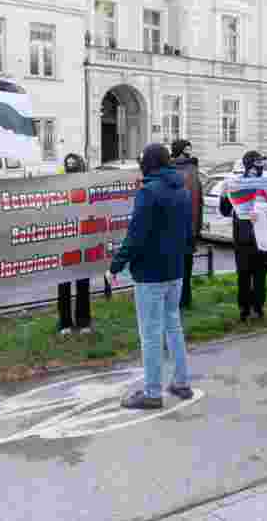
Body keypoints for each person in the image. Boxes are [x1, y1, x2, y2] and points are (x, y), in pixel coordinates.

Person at [108, 143, 193, 410]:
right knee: (173, 326)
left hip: (150, 274)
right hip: (175, 270)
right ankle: (181, 382)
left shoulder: (148, 192)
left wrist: (115, 266)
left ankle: (152, 392)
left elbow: (136, 236)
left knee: (151, 333)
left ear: (148, 164)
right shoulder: (182, 189)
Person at [219, 151, 267, 322]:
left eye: (262, 163)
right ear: (249, 165)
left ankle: (258, 307)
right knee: (243, 274)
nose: (260, 166)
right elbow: (225, 211)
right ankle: (244, 309)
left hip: (263, 237)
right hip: (243, 238)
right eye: (257, 163)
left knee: (260, 275)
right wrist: (224, 195)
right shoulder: (236, 184)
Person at [58, 154, 92, 335]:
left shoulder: (86, 186)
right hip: (64, 242)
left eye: (73, 165)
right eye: (68, 165)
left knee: (82, 284)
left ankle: (83, 321)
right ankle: (64, 323)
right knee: (63, 285)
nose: (70, 168)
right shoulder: (59, 187)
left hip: (82, 241)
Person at [171, 139, 202, 310]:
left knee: (185, 266)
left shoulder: (192, 168)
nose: (190, 150)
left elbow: (198, 200)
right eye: (187, 147)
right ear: (181, 151)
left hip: (189, 227)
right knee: (179, 267)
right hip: (181, 227)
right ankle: (179, 300)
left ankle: (184, 299)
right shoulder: (176, 169)